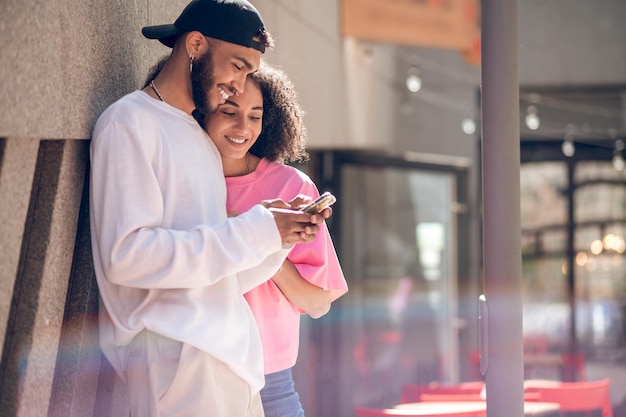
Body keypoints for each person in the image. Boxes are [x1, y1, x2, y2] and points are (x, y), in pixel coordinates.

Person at [89, 1, 330, 416]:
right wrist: (255, 229)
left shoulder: (197, 137)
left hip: (230, 360)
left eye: (248, 73)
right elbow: (125, 258)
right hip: (176, 357)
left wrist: (276, 236)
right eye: (237, 66)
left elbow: (212, 273)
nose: (239, 85)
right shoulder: (129, 122)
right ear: (196, 45)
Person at [203, 61, 348, 417]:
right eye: (229, 111)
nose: (242, 127)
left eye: (255, 116)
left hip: (270, 384)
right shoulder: (181, 177)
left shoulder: (291, 186)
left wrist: (270, 241)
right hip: (196, 374)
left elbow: (318, 304)